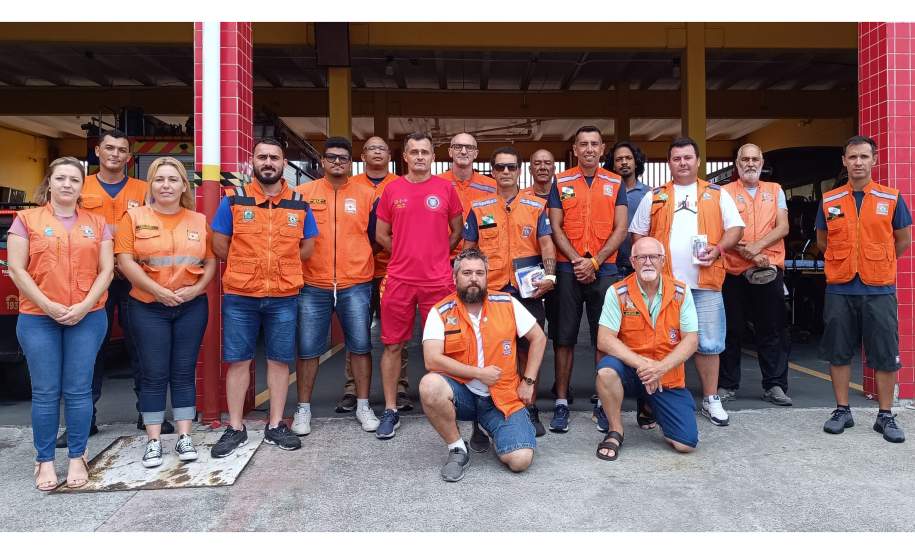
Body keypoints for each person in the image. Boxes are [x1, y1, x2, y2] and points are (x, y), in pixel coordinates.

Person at [7, 157, 113, 489]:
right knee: (46, 392)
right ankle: (44, 461)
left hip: (88, 316)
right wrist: (48, 305)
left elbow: (106, 270)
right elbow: (16, 269)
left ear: (82, 186)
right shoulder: (26, 220)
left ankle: (78, 456)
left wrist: (83, 305)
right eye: (61, 178)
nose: (67, 184)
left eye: (74, 180)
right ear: (49, 183)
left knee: (79, 390)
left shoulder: (97, 223)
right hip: (39, 318)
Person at [209, 138, 319, 457]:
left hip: (284, 295)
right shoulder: (234, 199)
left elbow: (308, 246)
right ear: (252, 163)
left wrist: (280, 267)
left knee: (280, 360)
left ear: (283, 163)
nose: (268, 162)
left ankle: (274, 426)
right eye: (262, 157)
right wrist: (249, 267)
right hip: (241, 296)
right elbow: (219, 243)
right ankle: (235, 428)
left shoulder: (299, 202)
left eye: (274, 157)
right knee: (238, 360)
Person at [630, 137, 745, 428]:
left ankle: (710, 399)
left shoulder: (717, 194)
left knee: (709, 343)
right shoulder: (654, 196)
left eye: (687, 158)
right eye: (677, 158)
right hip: (663, 286)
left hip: (705, 282)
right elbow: (638, 235)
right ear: (669, 162)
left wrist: (718, 249)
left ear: (697, 161)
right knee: (661, 343)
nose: (682, 163)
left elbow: (736, 229)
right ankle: (658, 400)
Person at [115, 157, 217, 467]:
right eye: (160, 179)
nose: (166, 185)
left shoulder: (198, 220)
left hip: (191, 306)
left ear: (184, 185)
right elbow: (125, 260)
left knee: (184, 372)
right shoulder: (133, 217)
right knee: (154, 374)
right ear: (151, 184)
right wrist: (157, 291)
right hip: (148, 306)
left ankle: (185, 437)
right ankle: (154, 441)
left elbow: (211, 261)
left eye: (173, 179)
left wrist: (196, 290)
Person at [56, 129, 153, 448]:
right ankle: (84, 422)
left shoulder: (144, 189)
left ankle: (148, 414)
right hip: (93, 280)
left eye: (122, 149)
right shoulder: (81, 188)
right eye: (109, 148)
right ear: (97, 151)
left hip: (134, 277)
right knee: (89, 351)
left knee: (141, 346)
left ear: (129, 156)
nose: (115, 154)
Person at [419, 248, 546, 481]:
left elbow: (539, 337)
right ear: (455, 277)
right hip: (463, 394)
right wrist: (479, 373)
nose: (474, 278)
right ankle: (457, 448)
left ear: (487, 276)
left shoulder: (507, 303)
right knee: (429, 385)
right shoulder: (440, 311)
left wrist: (528, 381)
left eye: (479, 272)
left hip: (502, 398)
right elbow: (431, 359)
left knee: (520, 461)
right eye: (467, 273)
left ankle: (492, 427)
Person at [817, 135, 911, 443]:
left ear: (874, 160)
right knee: (839, 351)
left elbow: (903, 240)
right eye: (852, 157)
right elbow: (822, 242)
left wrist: (876, 262)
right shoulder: (830, 200)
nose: (858, 162)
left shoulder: (892, 198)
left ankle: (885, 415)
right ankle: (842, 410)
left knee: (884, 352)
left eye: (863, 157)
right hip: (840, 288)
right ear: (844, 161)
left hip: (879, 288)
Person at [375, 131, 463, 439]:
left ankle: (444, 403)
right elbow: (381, 234)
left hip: (438, 281)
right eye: (414, 152)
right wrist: (404, 252)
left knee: (444, 346)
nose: (420, 156)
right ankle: (390, 410)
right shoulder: (391, 190)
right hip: (399, 279)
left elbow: (456, 231)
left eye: (425, 151)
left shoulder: (446, 189)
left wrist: (437, 254)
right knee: (392, 345)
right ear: (405, 157)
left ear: (433, 157)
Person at [464, 146, 556, 439]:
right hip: (491, 292)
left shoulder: (535, 205)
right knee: (488, 350)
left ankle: (529, 407)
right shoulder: (479, 207)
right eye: (500, 167)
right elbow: (468, 249)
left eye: (511, 167)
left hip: (526, 291)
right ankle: (486, 409)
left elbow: (546, 244)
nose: (506, 172)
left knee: (530, 348)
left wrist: (551, 274)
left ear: (519, 171)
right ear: (492, 171)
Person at [293, 137, 379, 435]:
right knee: (307, 349)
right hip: (312, 282)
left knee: (360, 345)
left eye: (343, 158)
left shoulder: (368, 195)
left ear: (351, 162)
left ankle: (364, 405)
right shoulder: (302, 194)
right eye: (332, 157)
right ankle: (303, 410)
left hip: (355, 282)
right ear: (322, 162)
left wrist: (357, 259)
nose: (338, 162)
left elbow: (376, 237)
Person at [547, 125, 628, 433]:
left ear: (602, 148)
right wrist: (578, 261)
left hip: (604, 269)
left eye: (595, 144)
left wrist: (594, 261)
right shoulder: (561, 180)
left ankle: (601, 403)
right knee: (564, 337)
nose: (590, 149)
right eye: (584, 144)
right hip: (569, 269)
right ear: (576, 149)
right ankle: (561, 403)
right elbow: (556, 226)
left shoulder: (615, 181)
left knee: (603, 338)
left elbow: (621, 229)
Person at [593, 237, 699, 460]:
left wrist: (661, 368)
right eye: (642, 257)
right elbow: (604, 339)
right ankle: (615, 430)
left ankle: (650, 406)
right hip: (631, 370)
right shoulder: (617, 292)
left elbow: (691, 340)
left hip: (666, 374)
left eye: (654, 257)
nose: (648, 262)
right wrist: (644, 365)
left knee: (685, 444)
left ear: (663, 261)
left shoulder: (681, 292)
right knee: (606, 372)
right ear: (633, 261)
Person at [336, 137, 412, 413]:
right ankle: (352, 389)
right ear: (363, 155)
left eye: (382, 148)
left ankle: (400, 387)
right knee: (356, 332)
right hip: (358, 271)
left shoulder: (401, 184)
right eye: (371, 148)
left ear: (390, 155)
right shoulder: (350, 184)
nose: (377, 152)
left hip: (394, 270)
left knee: (397, 335)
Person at [720, 144, 792, 405]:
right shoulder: (724, 193)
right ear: (737, 164)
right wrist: (747, 253)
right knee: (731, 329)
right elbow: (720, 232)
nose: (750, 163)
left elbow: (782, 226)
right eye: (745, 159)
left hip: (768, 269)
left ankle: (775, 386)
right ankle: (727, 385)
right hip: (733, 271)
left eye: (755, 159)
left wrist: (757, 249)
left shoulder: (775, 191)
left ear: (762, 162)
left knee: (771, 329)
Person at [438, 132, 497, 255]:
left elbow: (493, 221)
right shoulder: (435, 184)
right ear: (450, 152)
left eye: (469, 147)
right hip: (441, 256)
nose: (463, 151)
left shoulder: (492, 186)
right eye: (458, 147)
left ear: (475, 153)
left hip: (478, 258)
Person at [607, 141, 649, 277]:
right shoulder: (605, 193)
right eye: (619, 159)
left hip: (640, 264)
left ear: (636, 162)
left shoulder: (649, 194)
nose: (624, 162)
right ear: (612, 165)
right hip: (609, 265)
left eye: (628, 158)